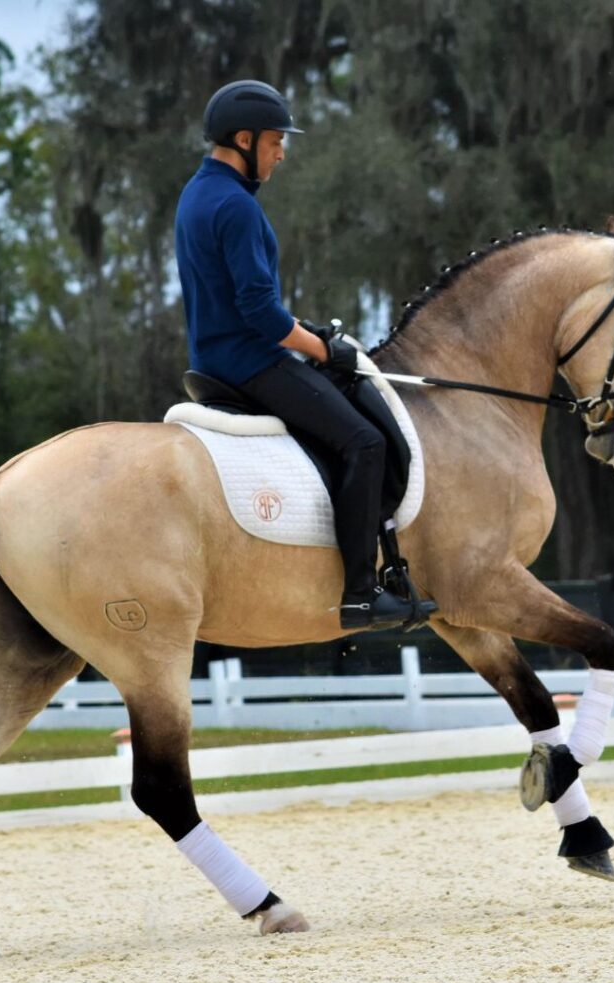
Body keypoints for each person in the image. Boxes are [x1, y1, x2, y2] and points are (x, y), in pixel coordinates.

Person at [174, 80, 415, 630]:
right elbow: (260, 312)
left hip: (216, 354)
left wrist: (306, 332)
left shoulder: (197, 193)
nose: (282, 152)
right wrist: (324, 348)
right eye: (276, 140)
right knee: (365, 441)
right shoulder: (235, 206)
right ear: (244, 138)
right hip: (250, 360)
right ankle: (360, 594)